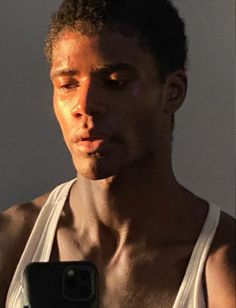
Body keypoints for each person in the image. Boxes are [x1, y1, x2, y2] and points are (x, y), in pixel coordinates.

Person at [0, 0, 235, 307]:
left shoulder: (222, 260)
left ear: (173, 91)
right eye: (68, 84)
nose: (84, 105)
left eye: (116, 83)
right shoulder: (13, 240)